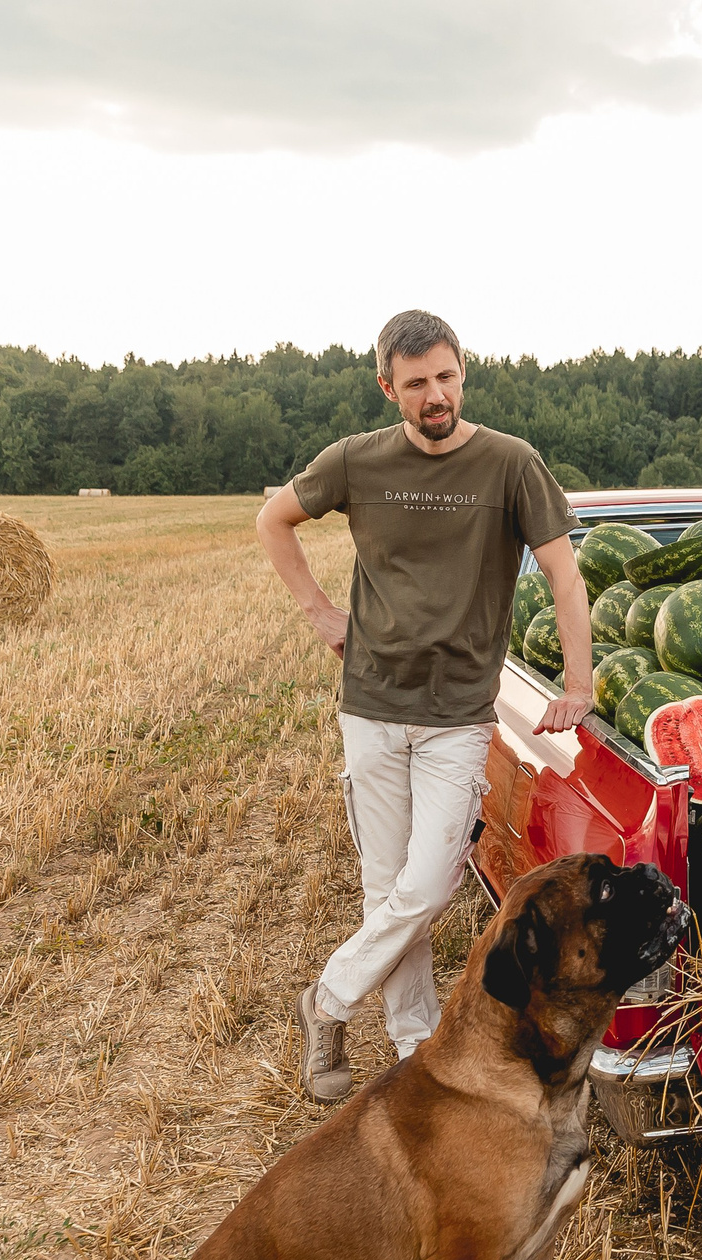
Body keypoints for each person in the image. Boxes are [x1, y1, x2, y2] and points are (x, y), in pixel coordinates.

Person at [257, 309, 591, 1102]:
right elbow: (274, 520)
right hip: (372, 705)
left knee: (431, 883)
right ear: (388, 387)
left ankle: (327, 999)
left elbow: (565, 575)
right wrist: (318, 611)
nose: (434, 395)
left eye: (445, 377)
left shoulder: (511, 464)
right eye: (415, 384)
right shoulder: (356, 461)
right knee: (388, 890)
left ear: (462, 371)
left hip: (457, 714)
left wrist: (579, 684)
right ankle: (414, 1044)